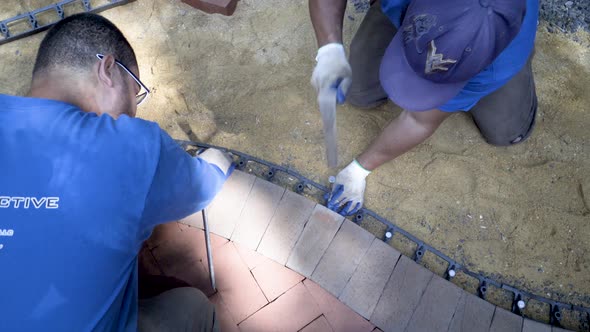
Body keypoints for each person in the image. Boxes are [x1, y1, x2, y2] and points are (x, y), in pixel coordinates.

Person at [0, 13, 231, 332]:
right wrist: (219, 156)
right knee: (192, 307)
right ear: (107, 69)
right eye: (134, 91)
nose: (133, 110)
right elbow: (205, 183)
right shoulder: (133, 146)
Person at [310, 0, 538, 215]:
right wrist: (329, 49)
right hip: (410, 9)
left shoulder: (498, 63)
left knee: (506, 131)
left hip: (497, 45)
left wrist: (359, 170)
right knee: (359, 92)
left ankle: (468, 71)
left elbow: (420, 120)